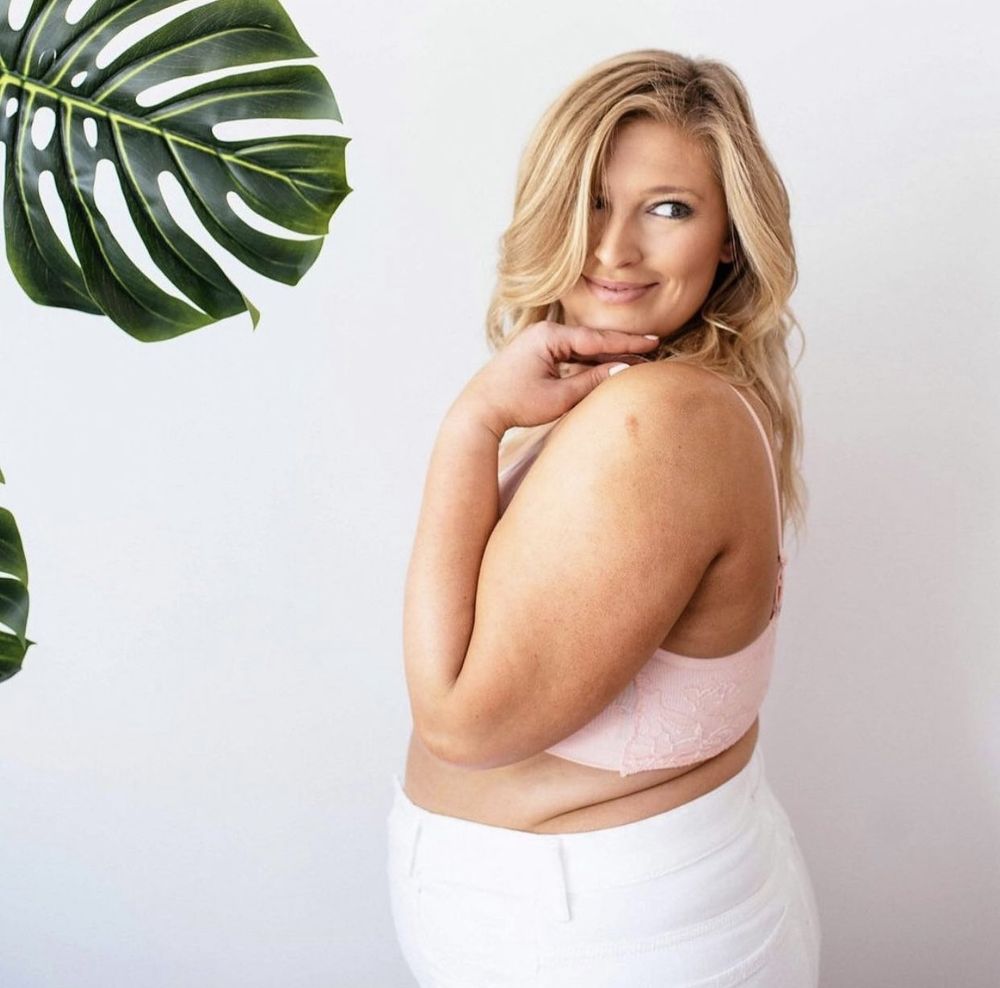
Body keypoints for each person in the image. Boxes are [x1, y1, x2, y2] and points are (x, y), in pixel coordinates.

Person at [386, 48, 821, 986]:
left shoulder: (658, 418)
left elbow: (461, 723)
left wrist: (473, 423)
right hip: (597, 922)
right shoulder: (646, 394)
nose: (613, 248)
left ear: (730, 237)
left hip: (609, 941)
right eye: (590, 200)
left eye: (668, 208)